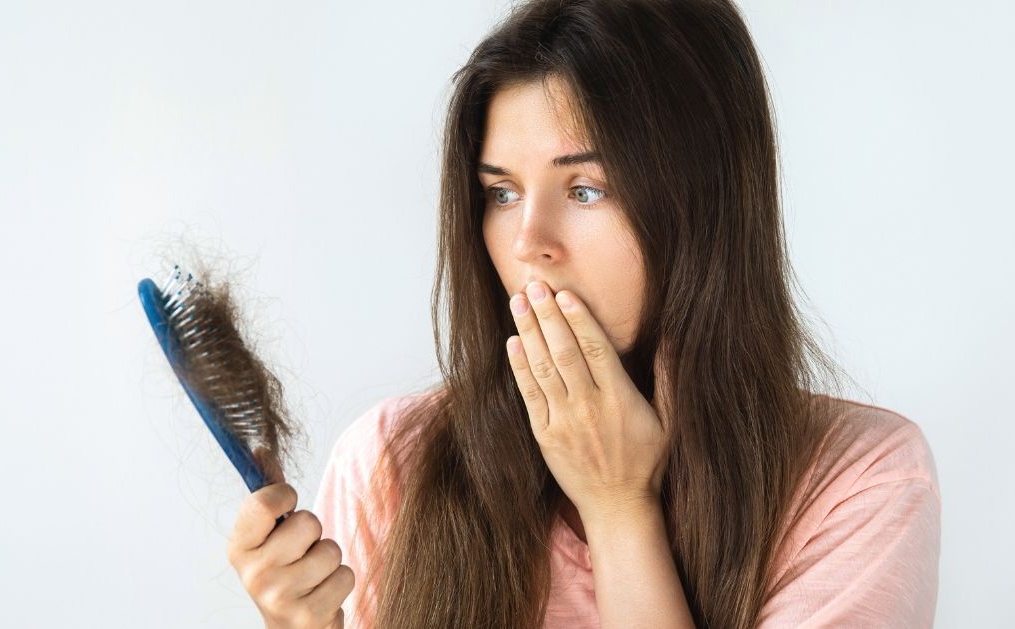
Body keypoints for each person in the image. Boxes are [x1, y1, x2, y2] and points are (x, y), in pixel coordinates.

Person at [229, 1, 942, 627]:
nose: (528, 242)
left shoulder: (863, 481)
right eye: (502, 193)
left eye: (585, 189)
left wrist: (618, 510)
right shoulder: (390, 463)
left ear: (703, 208)